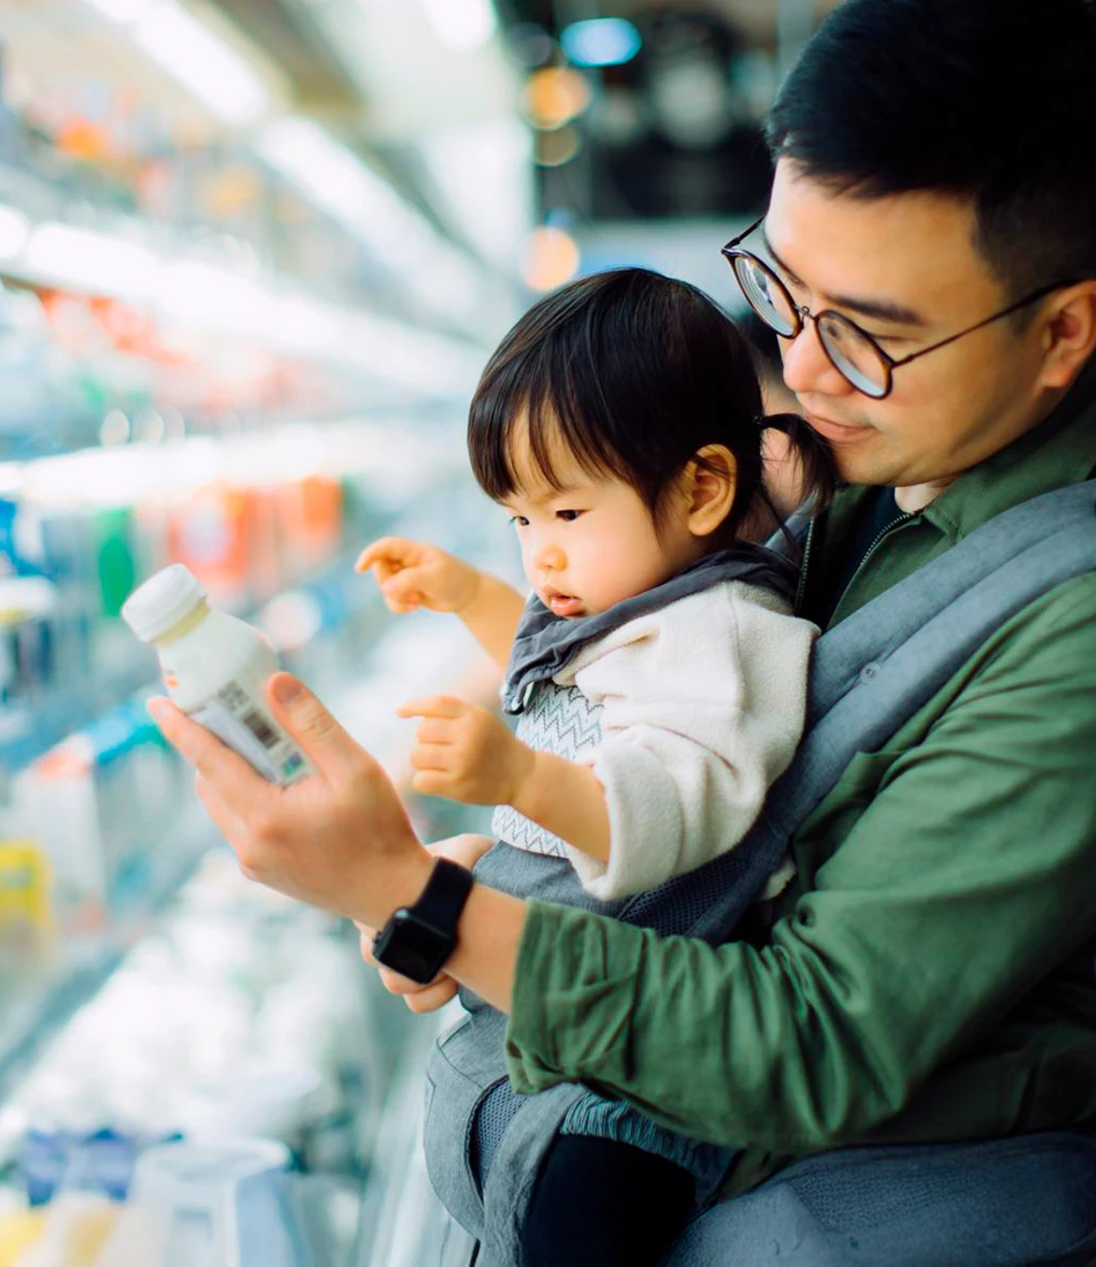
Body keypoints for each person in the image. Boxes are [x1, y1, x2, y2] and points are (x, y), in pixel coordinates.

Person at [148, 0, 1096, 1258]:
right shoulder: (864, 469)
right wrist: (503, 864)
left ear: (1061, 332)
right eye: (781, 287)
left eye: (870, 334)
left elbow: (811, 1039)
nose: (804, 365)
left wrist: (423, 903)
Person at [354, 269, 832, 1265]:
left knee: (583, 1208)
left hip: (647, 1064)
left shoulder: (725, 636)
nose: (542, 559)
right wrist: (464, 592)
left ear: (702, 487)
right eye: (520, 521)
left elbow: (670, 811)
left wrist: (524, 782)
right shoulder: (651, 600)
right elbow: (561, 681)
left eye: (566, 516)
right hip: (580, 995)